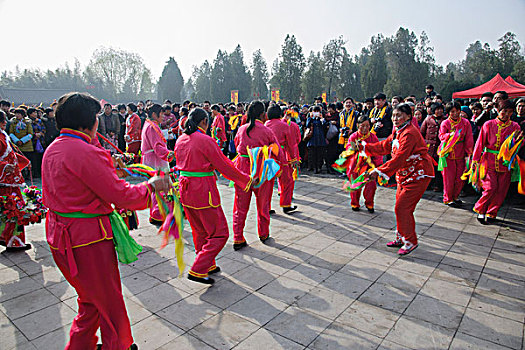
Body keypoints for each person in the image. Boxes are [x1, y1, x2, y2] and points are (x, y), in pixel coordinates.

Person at [42, 92, 170, 350]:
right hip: (87, 240)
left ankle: (81, 345)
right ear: (88, 122)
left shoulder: (53, 149)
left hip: (59, 237)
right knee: (109, 302)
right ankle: (119, 345)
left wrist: (109, 167)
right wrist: (152, 187)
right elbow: (122, 196)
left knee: (89, 301)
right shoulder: (86, 152)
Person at [175, 108, 251, 284]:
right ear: (204, 122)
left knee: (199, 230)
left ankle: (207, 265)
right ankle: (198, 268)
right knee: (220, 233)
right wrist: (245, 179)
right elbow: (224, 165)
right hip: (203, 191)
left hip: (186, 190)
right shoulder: (204, 140)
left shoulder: (181, 139)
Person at [364, 103, 434, 255]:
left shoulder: (409, 133)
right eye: (393, 115)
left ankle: (410, 241)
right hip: (404, 174)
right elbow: (385, 146)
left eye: (399, 116)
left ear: (408, 116)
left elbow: (400, 158)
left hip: (418, 174)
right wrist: (366, 147)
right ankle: (402, 237)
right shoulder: (398, 130)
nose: (395, 119)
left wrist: (378, 170)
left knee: (402, 207)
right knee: (401, 207)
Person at [232, 101, 284, 250]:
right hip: (262, 169)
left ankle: (237, 237)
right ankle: (263, 233)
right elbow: (277, 151)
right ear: (263, 114)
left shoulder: (241, 129)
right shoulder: (267, 131)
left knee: (240, 205)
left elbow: (236, 146)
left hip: (242, 169)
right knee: (263, 204)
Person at [472, 100, 522, 224]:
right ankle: (481, 210)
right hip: (488, 161)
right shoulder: (488, 124)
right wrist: (475, 160)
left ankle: (492, 212)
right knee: (490, 187)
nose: (506, 114)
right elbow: (480, 143)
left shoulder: (515, 126)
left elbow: (516, 146)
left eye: (510, 112)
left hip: (506, 163)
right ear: (498, 111)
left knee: (501, 190)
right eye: (504, 111)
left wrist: (519, 141)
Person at [0, 110, 31, 251]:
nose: (5, 122)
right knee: (13, 210)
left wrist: (25, 161)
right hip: (6, 181)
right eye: (3, 120)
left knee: (9, 209)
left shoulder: (3, 135)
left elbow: (11, 154)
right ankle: (14, 241)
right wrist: (4, 167)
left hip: (11, 180)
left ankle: (6, 237)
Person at [141, 103, 175, 225]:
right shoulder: (152, 127)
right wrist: (169, 154)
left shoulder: (148, 124)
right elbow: (157, 146)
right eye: (161, 114)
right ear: (154, 114)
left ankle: (156, 213)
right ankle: (158, 214)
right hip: (156, 160)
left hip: (151, 159)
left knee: (156, 187)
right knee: (160, 186)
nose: (163, 116)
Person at [439, 101, 474, 207]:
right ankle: (448, 198)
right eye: (452, 111)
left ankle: (455, 196)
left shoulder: (465, 123)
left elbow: (469, 138)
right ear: (448, 112)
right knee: (448, 177)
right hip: (448, 154)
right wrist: (450, 135)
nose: (455, 113)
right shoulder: (445, 123)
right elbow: (441, 136)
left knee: (460, 177)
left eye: (457, 111)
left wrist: (469, 153)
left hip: (461, 152)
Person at [265, 104, 299, 213]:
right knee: (287, 180)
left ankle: (267, 207)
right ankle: (285, 205)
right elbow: (291, 144)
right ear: (280, 114)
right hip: (281, 155)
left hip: (268, 155)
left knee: (268, 182)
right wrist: (294, 159)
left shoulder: (265, 124)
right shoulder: (284, 125)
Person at [347, 116, 382, 213]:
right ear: (358, 125)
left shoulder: (373, 137)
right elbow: (348, 150)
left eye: (367, 126)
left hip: (369, 165)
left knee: (371, 186)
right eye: (362, 126)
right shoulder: (353, 137)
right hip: (356, 166)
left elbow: (378, 152)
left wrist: (378, 166)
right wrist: (355, 149)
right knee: (355, 185)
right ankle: (355, 203)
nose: (365, 128)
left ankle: (369, 203)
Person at [421, 103, 444, 191]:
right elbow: (422, 133)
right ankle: (428, 184)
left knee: (438, 167)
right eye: (437, 109)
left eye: (440, 109)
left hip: (440, 147)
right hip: (429, 147)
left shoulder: (445, 119)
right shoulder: (427, 119)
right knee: (428, 166)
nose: (439, 111)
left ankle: (438, 185)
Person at [9, 108, 34, 181]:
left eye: (19, 114)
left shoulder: (27, 123)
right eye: (16, 114)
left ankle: (28, 176)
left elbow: (30, 134)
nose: (17, 115)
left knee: (28, 160)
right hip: (17, 145)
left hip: (27, 145)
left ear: (23, 115)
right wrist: (16, 141)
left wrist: (22, 141)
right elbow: (11, 133)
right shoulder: (13, 123)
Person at [306, 105, 328, 173]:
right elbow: (307, 125)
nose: (316, 113)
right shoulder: (310, 119)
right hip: (313, 139)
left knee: (320, 154)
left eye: (317, 111)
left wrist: (322, 119)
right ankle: (314, 167)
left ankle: (319, 167)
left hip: (320, 138)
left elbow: (325, 126)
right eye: (314, 111)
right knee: (313, 154)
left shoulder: (321, 119)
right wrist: (311, 118)